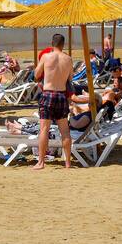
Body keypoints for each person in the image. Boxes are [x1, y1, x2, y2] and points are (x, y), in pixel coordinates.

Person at [34, 33, 75, 170]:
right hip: (61, 95)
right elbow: (70, 79)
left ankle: (41, 162)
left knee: (44, 129)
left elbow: (36, 75)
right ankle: (68, 163)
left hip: (48, 94)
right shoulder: (68, 59)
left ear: (52, 43)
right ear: (63, 44)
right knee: (65, 131)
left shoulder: (46, 57)